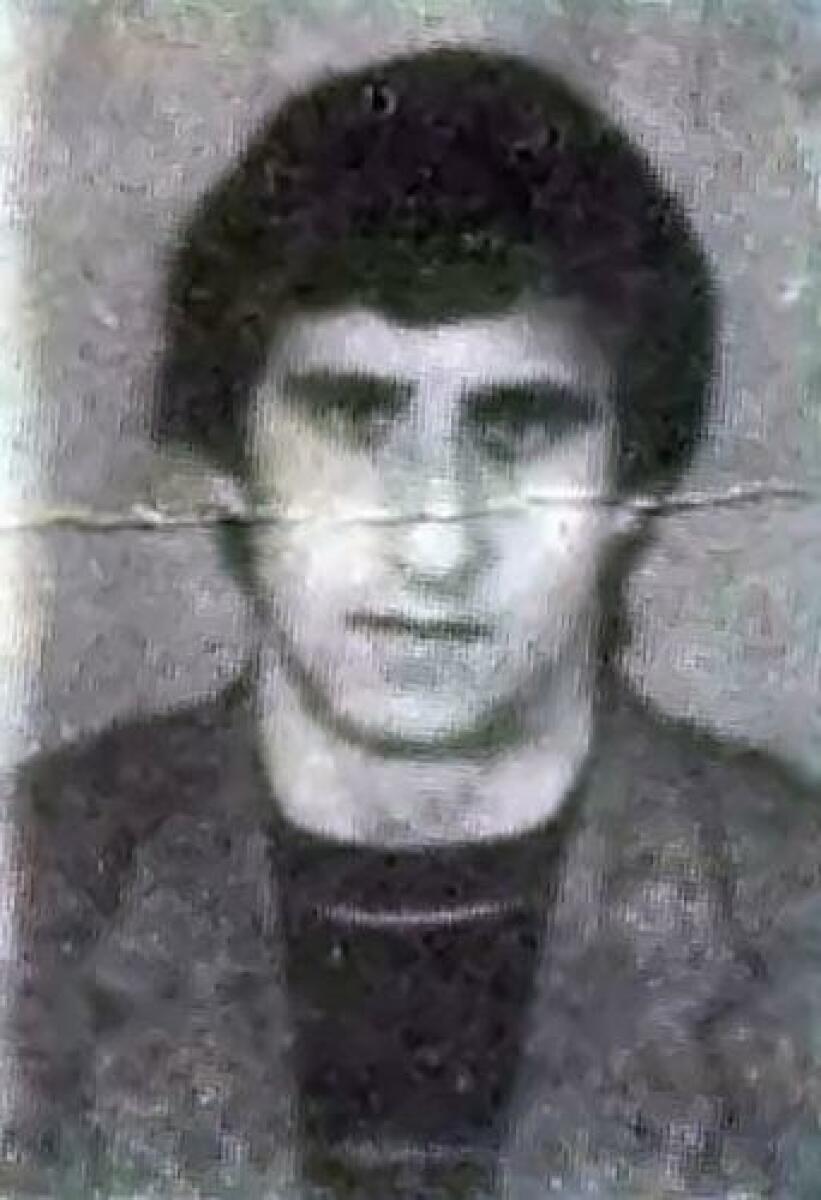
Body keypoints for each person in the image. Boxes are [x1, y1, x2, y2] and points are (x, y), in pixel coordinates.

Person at [13, 46, 821, 1198]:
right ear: (229, 469)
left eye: (517, 431)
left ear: (632, 494)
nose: (436, 547)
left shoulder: (795, 915)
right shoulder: (33, 891)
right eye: (353, 422)